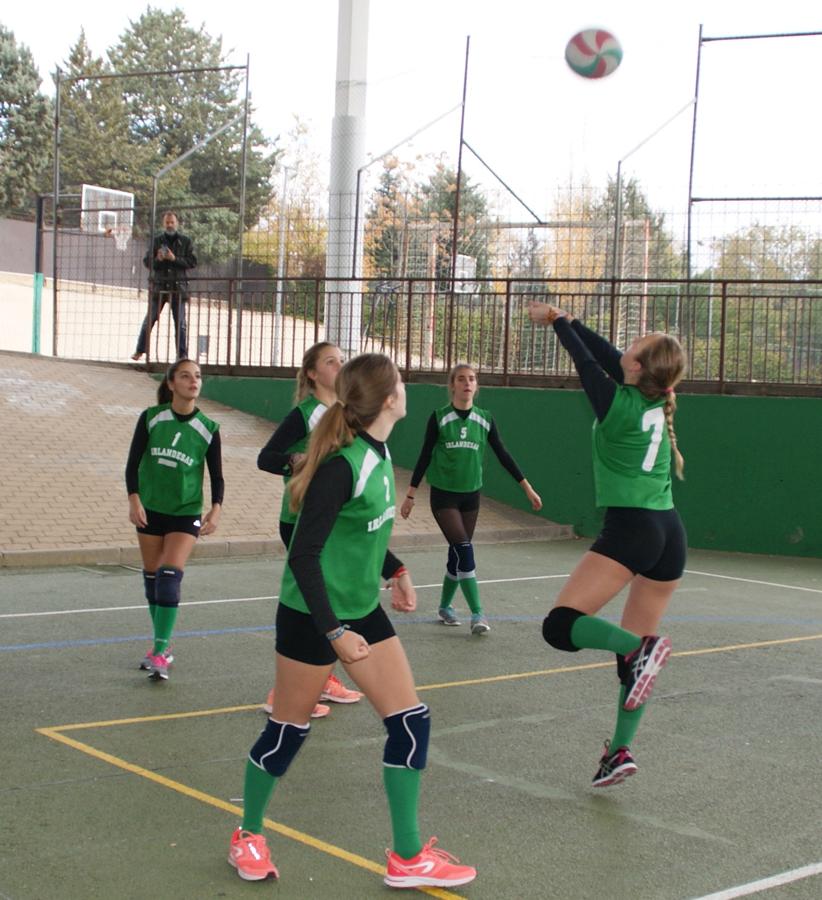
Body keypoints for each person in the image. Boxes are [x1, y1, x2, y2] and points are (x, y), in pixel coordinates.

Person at [227, 353, 476, 889]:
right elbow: (303, 552)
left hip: (362, 608)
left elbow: (360, 530)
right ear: (388, 399)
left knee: (411, 721)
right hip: (311, 617)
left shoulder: (378, 454)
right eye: (402, 383)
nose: (408, 389)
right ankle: (247, 834)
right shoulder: (342, 464)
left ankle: (407, 857)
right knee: (286, 734)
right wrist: (333, 632)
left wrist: (395, 569)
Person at [528, 301, 686, 788]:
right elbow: (606, 354)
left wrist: (558, 325)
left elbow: (588, 363)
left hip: (632, 529)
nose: (630, 343)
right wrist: (570, 320)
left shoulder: (617, 405)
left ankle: (637, 652)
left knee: (560, 627)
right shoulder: (655, 397)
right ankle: (618, 751)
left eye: (636, 344)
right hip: (669, 534)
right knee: (633, 666)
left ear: (638, 368)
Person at [257, 341, 363, 717]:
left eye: (342, 360)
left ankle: (323, 680)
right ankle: (283, 692)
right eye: (331, 362)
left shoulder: (345, 413)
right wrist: (294, 460)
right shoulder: (305, 415)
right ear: (314, 374)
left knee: (329, 599)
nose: (340, 365)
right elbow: (265, 457)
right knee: (308, 604)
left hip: (333, 520)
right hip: (300, 522)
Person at [400, 363, 542, 634]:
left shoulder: (484, 418)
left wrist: (527, 488)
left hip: (471, 496)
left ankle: (444, 607)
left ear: (476, 387)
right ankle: (478, 614)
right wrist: (410, 494)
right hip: (444, 496)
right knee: (464, 548)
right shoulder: (439, 417)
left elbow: (503, 454)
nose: (467, 383)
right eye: (462, 379)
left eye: (472, 379)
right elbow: (425, 455)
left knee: (457, 554)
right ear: (452, 385)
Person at [125, 358, 223, 680]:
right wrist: (134, 499)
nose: (193, 381)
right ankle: (161, 647)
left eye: (197, 376)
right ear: (171, 384)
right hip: (151, 509)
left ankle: (160, 650)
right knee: (152, 580)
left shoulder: (208, 429)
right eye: (185, 376)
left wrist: (216, 507)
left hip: (185, 513)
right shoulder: (152, 419)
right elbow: (132, 464)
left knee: (169, 576)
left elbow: (217, 476)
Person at [131, 210, 197, 361]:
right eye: (167, 222)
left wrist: (174, 259)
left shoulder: (185, 241)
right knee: (149, 320)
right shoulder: (157, 240)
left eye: (172, 222)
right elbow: (148, 262)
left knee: (180, 324)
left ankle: (181, 355)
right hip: (160, 286)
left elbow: (192, 262)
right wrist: (158, 259)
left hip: (178, 288)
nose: (169, 225)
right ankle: (140, 350)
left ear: (177, 223)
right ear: (163, 223)